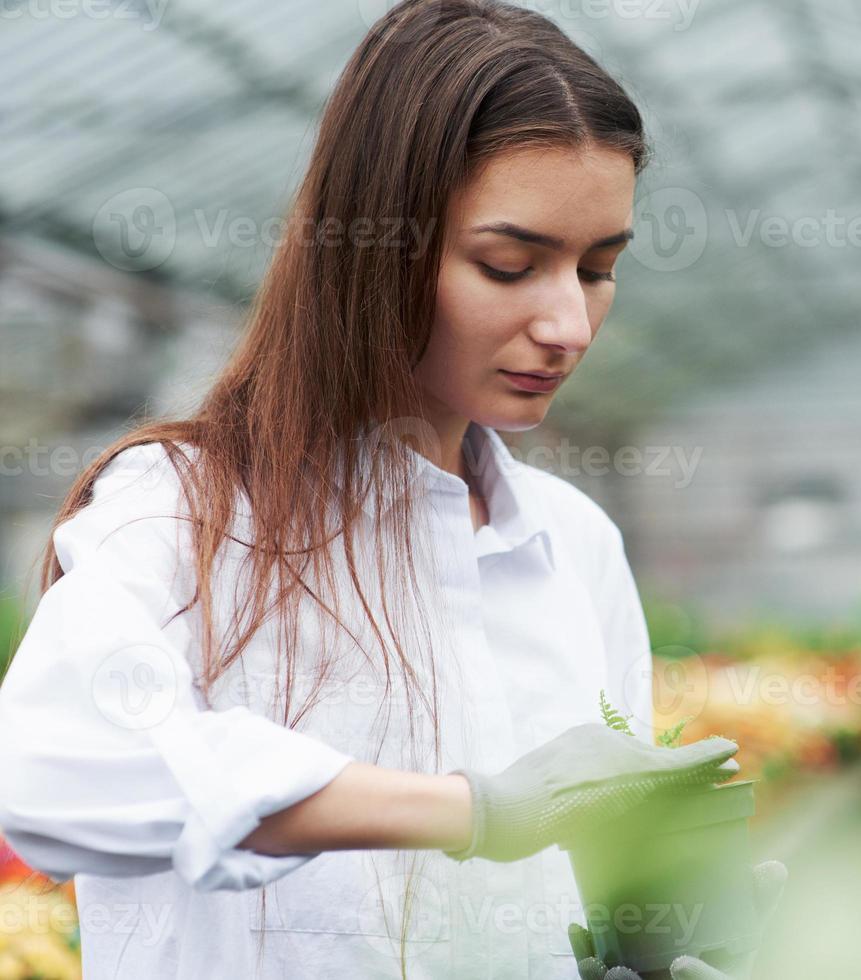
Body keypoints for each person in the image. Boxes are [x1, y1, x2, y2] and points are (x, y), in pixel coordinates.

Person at [0, 2, 783, 977]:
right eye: (509, 263)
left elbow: (571, 883)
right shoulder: (187, 511)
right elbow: (51, 770)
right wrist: (478, 810)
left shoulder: (571, 544)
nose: (569, 325)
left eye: (596, 269)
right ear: (378, 247)